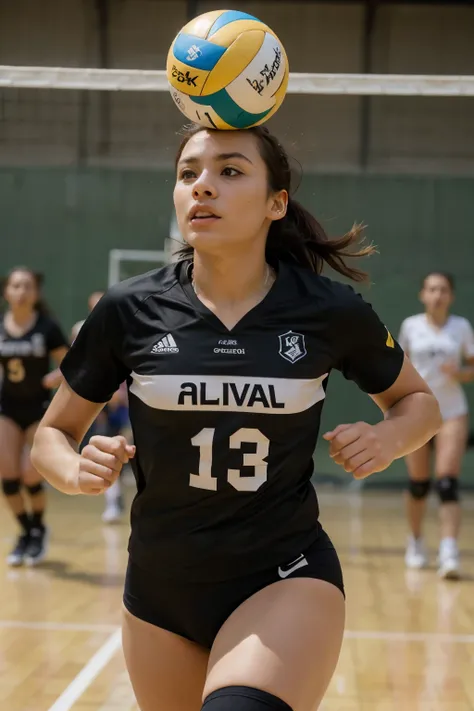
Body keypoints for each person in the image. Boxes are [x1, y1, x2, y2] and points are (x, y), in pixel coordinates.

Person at [32, 126, 440, 711]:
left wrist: (389, 437)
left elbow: (419, 403)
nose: (202, 187)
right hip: (159, 589)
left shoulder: (327, 310)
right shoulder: (130, 310)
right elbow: (51, 433)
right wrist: (75, 470)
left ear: (277, 203)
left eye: (229, 171)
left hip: (283, 574)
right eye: (188, 173)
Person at [399, 271, 474, 578]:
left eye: (443, 290)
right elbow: (398, 365)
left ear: (451, 296)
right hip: (416, 412)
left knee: (446, 483)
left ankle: (448, 551)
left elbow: (471, 367)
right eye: (431, 289)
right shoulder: (411, 326)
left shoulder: (461, 327)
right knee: (419, 485)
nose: (437, 295)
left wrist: (459, 372)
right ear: (423, 294)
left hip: (452, 412)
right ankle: (416, 542)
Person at [0, 267, 68, 566]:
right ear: (7, 292)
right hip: (7, 408)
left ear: (36, 293)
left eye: (27, 286)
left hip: (39, 409)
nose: (22, 291)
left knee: (30, 476)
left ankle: (39, 527)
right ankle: (28, 533)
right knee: (9, 478)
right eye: (16, 286)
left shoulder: (47, 327)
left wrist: (55, 378)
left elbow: (71, 365)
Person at [72, 290, 128, 523]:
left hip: (121, 401)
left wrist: (121, 393)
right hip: (96, 399)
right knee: (107, 450)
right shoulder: (80, 330)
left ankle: (119, 495)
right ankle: (113, 500)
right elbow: (76, 365)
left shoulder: (126, 328)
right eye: (94, 304)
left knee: (126, 449)